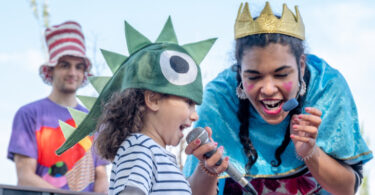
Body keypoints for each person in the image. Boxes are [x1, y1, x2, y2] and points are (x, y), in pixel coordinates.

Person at [183, 2, 373, 195]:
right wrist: (208, 170)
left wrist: (310, 153)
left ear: (301, 65)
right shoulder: (218, 102)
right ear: (240, 73)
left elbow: (347, 189)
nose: (267, 89)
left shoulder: (328, 88)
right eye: (254, 77)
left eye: (281, 75)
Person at [53, 17, 224, 195]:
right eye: (188, 102)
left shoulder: (158, 155)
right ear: (153, 100)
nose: (195, 115)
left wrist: (208, 171)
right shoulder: (140, 148)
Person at [7, 21, 108, 193]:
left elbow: (101, 176)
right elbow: (25, 177)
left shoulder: (93, 121)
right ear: (51, 70)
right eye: (65, 65)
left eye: (79, 66)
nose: (72, 73)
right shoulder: (29, 114)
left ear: (84, 72)